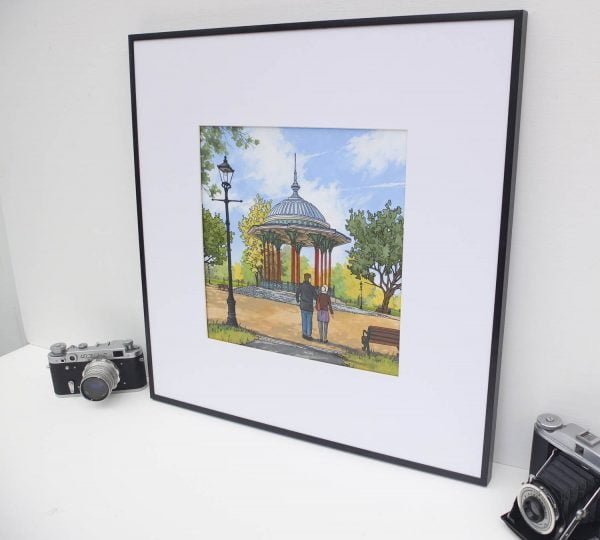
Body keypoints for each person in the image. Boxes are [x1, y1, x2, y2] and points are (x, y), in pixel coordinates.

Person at [296, 273, 318, 340]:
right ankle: (308, 335)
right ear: (308, 278)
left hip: (303, 306)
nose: (311, 279)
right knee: (309, 321)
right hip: (309, 306)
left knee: (304, 320)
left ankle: (304, 334)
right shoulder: (312, 287)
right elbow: (316, 297)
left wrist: (298, 300)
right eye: (310, 278)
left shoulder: (301, 286)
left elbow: (297, 293)